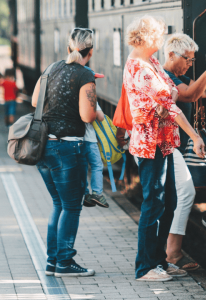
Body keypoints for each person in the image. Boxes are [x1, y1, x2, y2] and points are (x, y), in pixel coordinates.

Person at [122, 15, 206, 282]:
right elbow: (169, 103)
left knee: (168, 200)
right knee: (153, 203)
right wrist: (193, 135)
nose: (160, 40)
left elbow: (171, 91)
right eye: (157, 36)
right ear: (147, 38)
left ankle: (160, 261)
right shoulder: (141, 68)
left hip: (164, 142)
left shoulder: (152, 62)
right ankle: (145, 267)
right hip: (150, 145)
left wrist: (164, 100)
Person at [161, 33, 206, 271]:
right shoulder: (167, 77)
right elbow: (192, 93)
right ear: (171, 54)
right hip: (169, 145)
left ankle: (171, 251)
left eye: (193, 60)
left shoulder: (179, 75)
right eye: (188, 59)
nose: (190, 64)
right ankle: (170, 252)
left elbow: (204, 91)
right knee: (181, 194)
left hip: (177, 146)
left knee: (180, 194)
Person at [31, 28, 98, 277]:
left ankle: (52, 262)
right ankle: (65, 263)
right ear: (90, 51)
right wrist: (97, 110)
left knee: (58, 204)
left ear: (69, 47)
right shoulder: (85, 74)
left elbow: (35, 102)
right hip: (68, 148)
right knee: (71, 206)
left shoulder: (51, 68)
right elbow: (86, 116)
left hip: (43, 147)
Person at [81, 66, 109, 209]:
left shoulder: (75, 94)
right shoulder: (90, 97)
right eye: (94, 80)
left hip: (78, 140)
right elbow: (101, 117)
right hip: (90, 139)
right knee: (97, 165)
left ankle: (86, 194)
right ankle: (97, 193)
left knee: (84, 167)